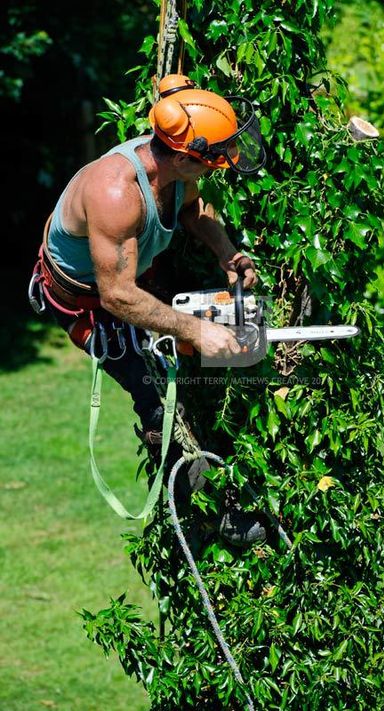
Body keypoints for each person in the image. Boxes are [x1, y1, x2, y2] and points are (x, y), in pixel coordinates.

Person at [29, 74, 267, 545]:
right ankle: (204, 513)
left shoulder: (175, 168)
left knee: (199, 359)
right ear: (183, 157)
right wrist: (197, 332)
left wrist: (225, 251)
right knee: (159, 400)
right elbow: (117, 296)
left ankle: (219, 473)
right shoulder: (115, 193)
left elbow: (193, 211)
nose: (222, 166)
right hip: (91, 302)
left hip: (129, 278)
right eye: (215, 160)